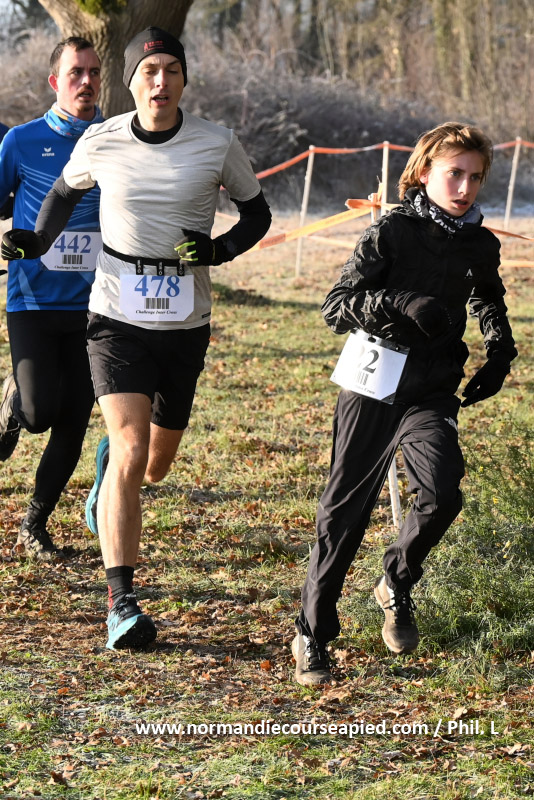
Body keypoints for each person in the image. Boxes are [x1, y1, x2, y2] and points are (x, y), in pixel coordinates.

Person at [2, 27, 271, 650]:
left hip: (184, 323)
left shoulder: (216, 142)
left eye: (172, 70)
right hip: (115, 316)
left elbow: (256, 213)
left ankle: (107, 473)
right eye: (149, 71)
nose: (160, 81)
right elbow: (63, 194)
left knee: (152, 465)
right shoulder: (102, 139)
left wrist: (219, 249)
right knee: (129, 448)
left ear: (184, 80)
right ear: (132, 83)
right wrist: (35, 242)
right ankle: (121, 602)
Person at [291, 122, 517, 686]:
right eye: (454, 174)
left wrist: (500, 352)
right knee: (344, 511)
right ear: (423, 173)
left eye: (475, 177)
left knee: (442, 492)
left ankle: (395, 580)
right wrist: (402, 301)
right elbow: (336, 305)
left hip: (431, 388)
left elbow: (489, 298)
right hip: (373, 379)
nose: (464, 187)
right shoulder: (391, 232)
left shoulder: (479, 242)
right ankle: (312, 633)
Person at [0, 37, 102, 560]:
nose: (86, 81)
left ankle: (34, 524)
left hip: (98, 305)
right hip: (33, 300)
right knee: (39, 413)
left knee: (73, 421)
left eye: (94, 72)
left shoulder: (116, 138)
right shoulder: (21, 141)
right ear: (55, 81)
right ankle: (13, 399)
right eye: (75, 72)